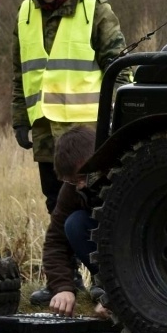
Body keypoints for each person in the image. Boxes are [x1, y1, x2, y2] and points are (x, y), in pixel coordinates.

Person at [10, 0, 125, 303]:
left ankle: (106, 279)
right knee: (56, 204)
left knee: (103, 207)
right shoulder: (25, 14)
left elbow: (118, 66)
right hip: (45, 130)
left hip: (89, 132)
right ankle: (65, 280)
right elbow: (20, 73)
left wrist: (120, 120)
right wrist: (20, 119)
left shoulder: (94, 7)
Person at [42, 126, 110, 319]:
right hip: (112, 253)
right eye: (73, 181)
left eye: (82, 177)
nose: (80, 185)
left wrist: (123, 292)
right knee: (74, 223)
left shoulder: (127, 174)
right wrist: (63, 287)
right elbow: (55, 242)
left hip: (146, 255)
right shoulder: (72, 189)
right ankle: (105, 284)